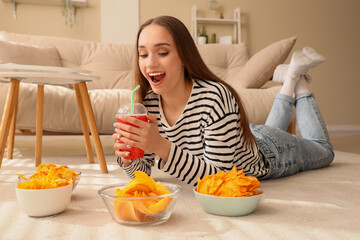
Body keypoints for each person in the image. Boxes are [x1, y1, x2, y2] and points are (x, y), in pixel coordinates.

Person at [112, 16, 334, 186]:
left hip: (270, 152)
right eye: (143, 54)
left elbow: (220, 178)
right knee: (266, 131)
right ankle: (289, 81)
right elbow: (143, 174)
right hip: (241, 138)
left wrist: (160, 145)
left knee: (324, 151)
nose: (150, 63)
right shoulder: (148, 104)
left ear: (183, 56)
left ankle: (297, 80)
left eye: (162, 52)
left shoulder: (215, 97)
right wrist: (129, 159)